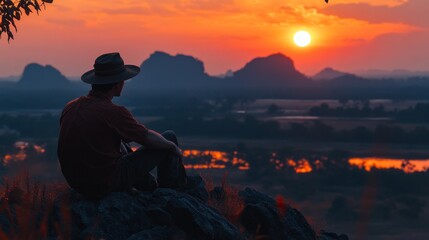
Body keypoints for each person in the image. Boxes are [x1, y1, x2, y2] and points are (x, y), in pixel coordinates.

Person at [57, 52, 187, 199]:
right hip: (103, 183)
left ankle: (149, 187)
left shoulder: (70, 107)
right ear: (118, 83)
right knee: (169, 137)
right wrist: (172, 147)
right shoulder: (113, 112)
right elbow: (146, 137)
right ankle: (170, 195)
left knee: (123, 145)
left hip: (77, 182)